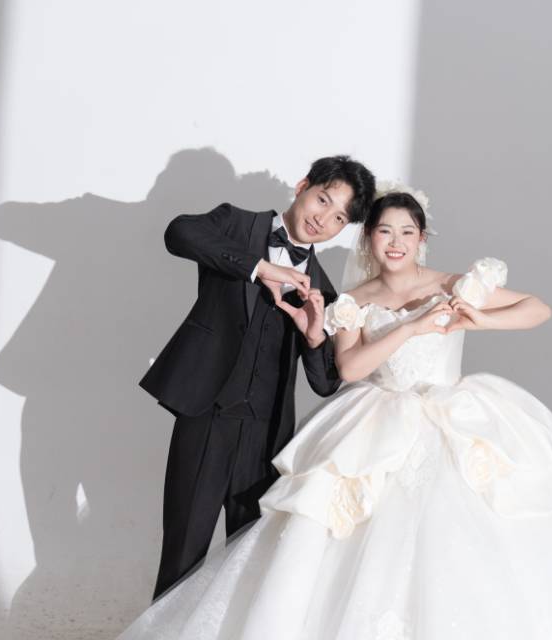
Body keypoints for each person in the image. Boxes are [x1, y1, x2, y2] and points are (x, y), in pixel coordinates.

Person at [122, 187, 552, 638]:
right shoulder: (349, 298)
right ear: (368, 240)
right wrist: (406, 327)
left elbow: (538, 308)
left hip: (456, 418)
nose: (395, 242)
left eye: (406, 232)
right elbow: (347, 370)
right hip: (375, 420)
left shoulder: (455, 283)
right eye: (383, 231)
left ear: (422, 238)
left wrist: (478, 319)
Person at [138, 155, 376, 600]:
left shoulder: (322, 289)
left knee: (248, 561)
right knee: (183, 553)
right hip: (207, 414)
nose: (323, 219)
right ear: (302, 186)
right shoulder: (236, 224)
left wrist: (313, 337)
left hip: (267, 435)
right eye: (323, 200)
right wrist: (261, 267)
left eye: (339, 218)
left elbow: (326, 383)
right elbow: (178, 233)